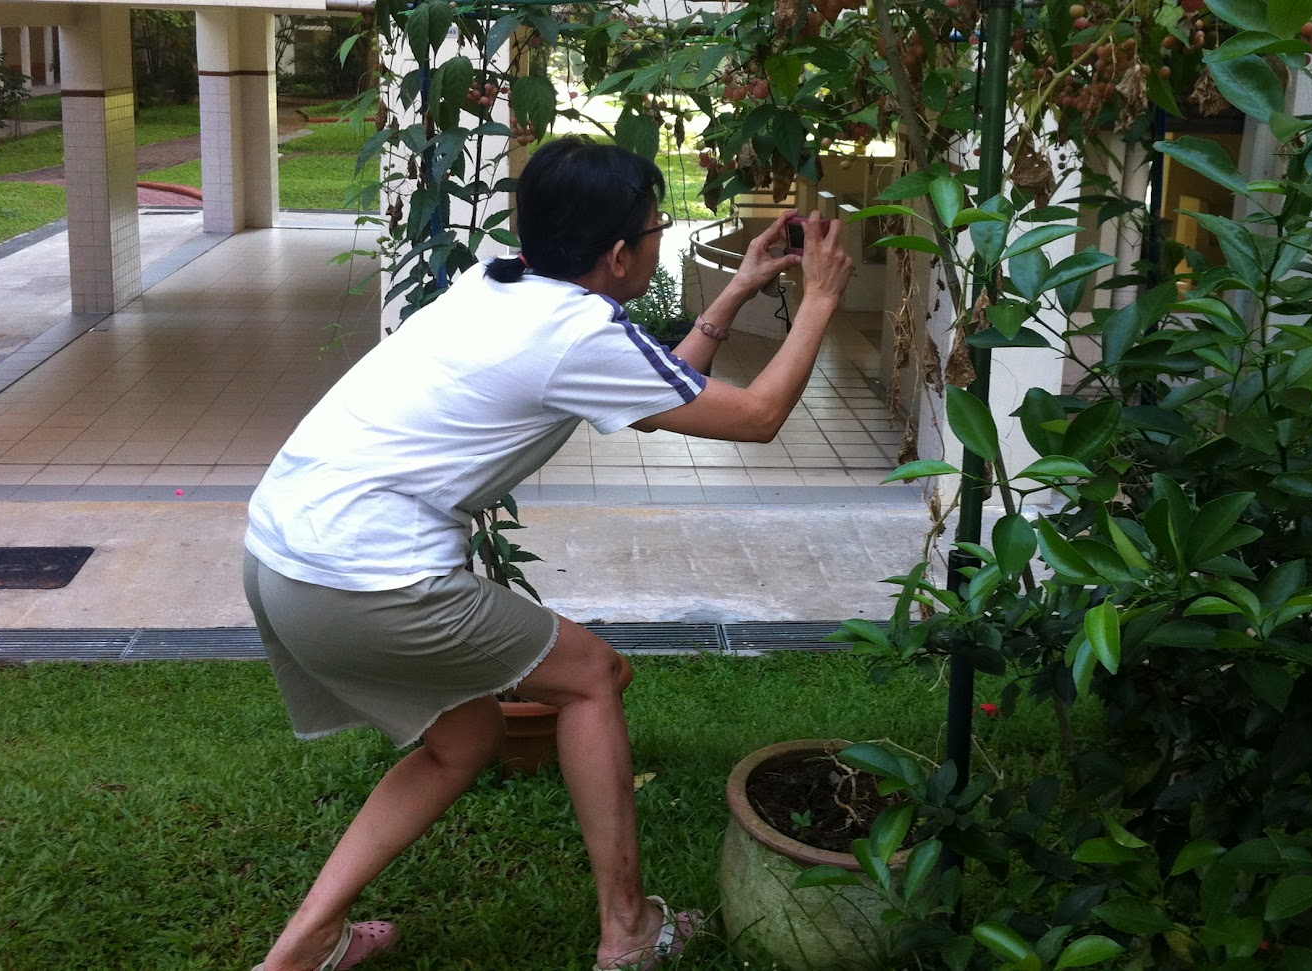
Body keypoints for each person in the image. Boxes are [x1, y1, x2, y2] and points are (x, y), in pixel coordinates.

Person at [242, 136, 855, 971]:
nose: (659, 237)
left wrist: (738, 290)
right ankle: (627, 929)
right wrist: (819, 297)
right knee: (593, 677)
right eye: (655, 228)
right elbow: (754, 416)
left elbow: (656, 393)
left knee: (467, 736)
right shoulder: (576, 333)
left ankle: (306, 941)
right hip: (368, 576)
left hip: (282, 554)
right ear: (616, 254)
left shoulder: (500, 282)